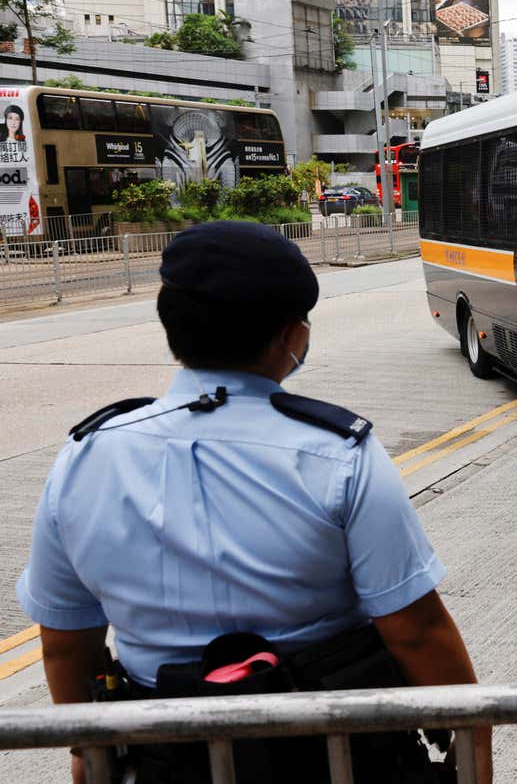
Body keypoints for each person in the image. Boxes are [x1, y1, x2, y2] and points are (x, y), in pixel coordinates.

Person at [16, 221, 492, 784]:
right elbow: (416, 632)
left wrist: (87, 750)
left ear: (173, 328)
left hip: (163, 760)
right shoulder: (338, 455)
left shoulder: (85, 455)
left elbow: (66, 644)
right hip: (336, 756)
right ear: (292, 336)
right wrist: (473, 745)